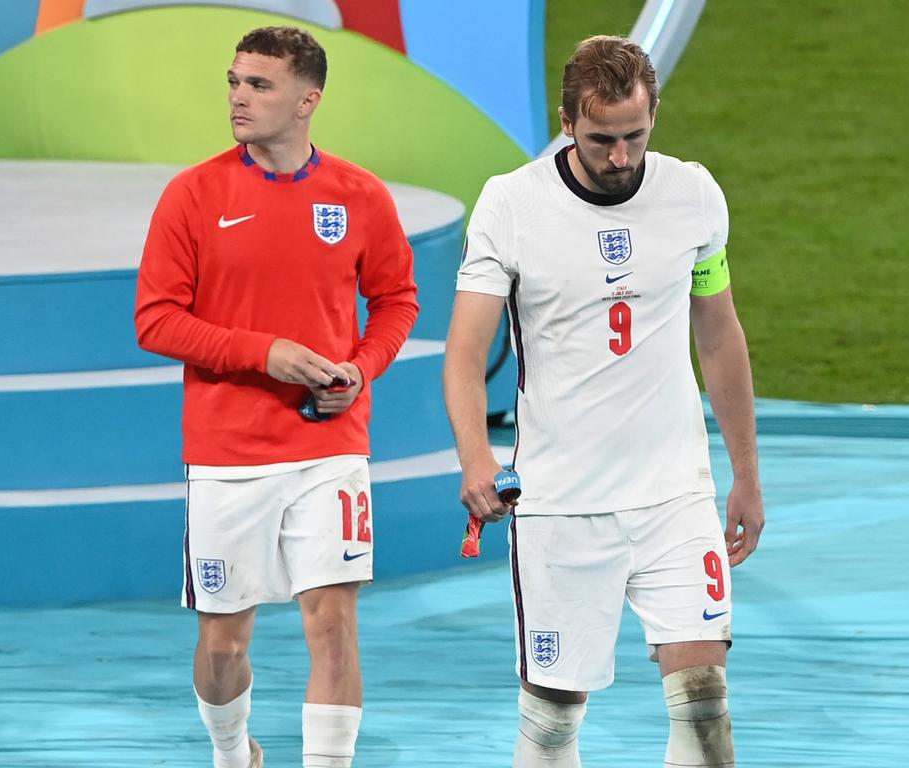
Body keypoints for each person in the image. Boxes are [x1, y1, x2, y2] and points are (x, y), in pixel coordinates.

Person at [443, 35, 764, 768]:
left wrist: (744, 472)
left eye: (635, 137)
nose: (621, 158)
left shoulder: (693, 195)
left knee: (704, 701)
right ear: (565, 121)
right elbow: (464, 355)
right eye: (601, 140)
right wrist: (474, 459)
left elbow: (719, 338)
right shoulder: (512, 205)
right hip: (560, 505)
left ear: (654, 117)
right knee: (553, 723)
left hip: (674, 496)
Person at [135, 26, 418, 768]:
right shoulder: (192, 195)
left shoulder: (360, 196)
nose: (237, 96)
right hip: (228, 454)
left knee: (334, 624)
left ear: (306, 100)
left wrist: (360, 370)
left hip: (331, 447)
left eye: (258, 85)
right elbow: (155, 319)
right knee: (224, 643)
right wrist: (267, 354)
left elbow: (396, 300)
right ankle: (234, 755)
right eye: (234, 81)